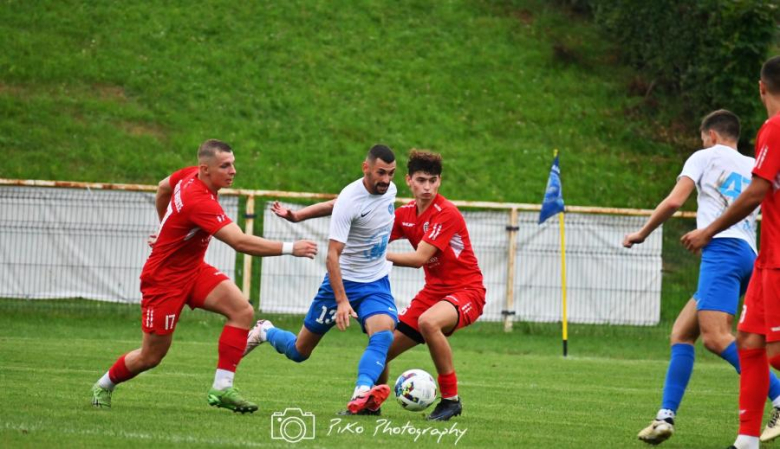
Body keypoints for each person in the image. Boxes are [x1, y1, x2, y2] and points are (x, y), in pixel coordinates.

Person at [90, 139, 317, 413]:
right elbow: (240, 242)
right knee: (151, 356)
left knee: (242, 311)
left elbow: (163, 187)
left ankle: (222, 387)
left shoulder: (189, 174)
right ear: (205, 169)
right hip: (164, 280)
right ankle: (104, 384)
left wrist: (166, 229)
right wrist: (292, 248)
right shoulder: (198, 200)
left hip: (193, 269)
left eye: (233, 163)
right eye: (225, 166)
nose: (233, 170)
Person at [626, 110, 780, 445]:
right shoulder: (753, 163)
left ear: (709, 135)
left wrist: (642, 232)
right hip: (748, 257)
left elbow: (675, 201)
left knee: (716, 337)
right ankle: (665, 417)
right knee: (682, 332)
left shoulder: (703, 156)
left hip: (721, 252)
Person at [243, 144, 399, 414]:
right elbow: (331, 256)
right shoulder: (351, 199)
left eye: (391, 173)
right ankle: (265, 331)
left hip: (375, 282)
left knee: (383, 335)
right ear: (366, 168)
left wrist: (298, 215)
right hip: (341, 283)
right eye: (381, 173)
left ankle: (363, 396)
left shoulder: (390, 191)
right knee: (299, 352)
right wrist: (341, 301)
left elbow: (332, 204)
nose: (386, 180)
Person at [681, 56, 780, 449]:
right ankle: (745, 441)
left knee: (773, 352)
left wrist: (708, 230)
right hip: (762, 256)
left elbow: (757, 191)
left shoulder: (774, 128)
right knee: (749, 343)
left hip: (775, 257)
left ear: (761, 87)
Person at [376, 149, 486, 421]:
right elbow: (374, 238)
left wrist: (376, 256)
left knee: (428, 322)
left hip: (467, 291)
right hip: (433, 293)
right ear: (408, 180)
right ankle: (371, 401)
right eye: (421, 180)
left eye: (433, 180)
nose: (427, 187)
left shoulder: (446, 213)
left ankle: (450, 400)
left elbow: (418, 259)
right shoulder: (405, 214)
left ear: (439, 181)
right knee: (379, 347)